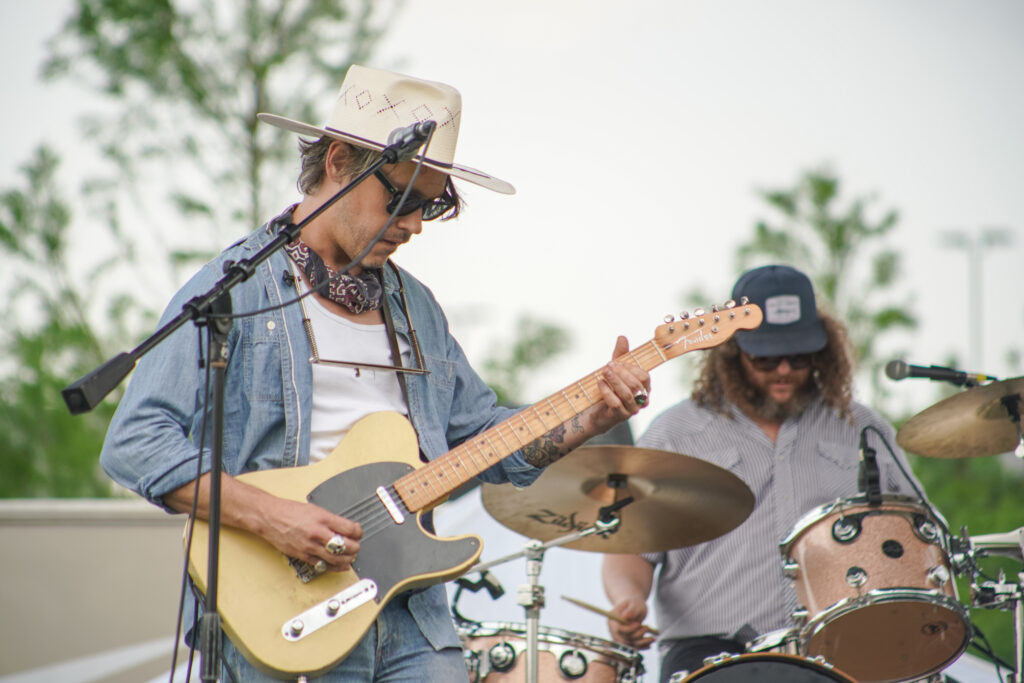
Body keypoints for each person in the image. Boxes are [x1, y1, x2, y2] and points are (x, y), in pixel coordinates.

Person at [100, 64, 651, 682]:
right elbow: (134, 441)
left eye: (433, 206)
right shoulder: (233, 289)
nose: (416, 225)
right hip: (286, 612)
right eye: (403, 199)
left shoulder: (417, 309)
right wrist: (272, 516)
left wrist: (589, 416)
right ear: (338, 162)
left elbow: (484, 439)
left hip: (413, 617)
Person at [601, 264, 928, 682]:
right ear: (732, 349)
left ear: (823, 350)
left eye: (800, 354)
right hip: (710, 655)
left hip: (843, 652)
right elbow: (629, 547)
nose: (784, 369)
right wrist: (627, 601)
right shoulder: (675, 433)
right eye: (767, 356)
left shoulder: (864, 428)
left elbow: (918, 535)